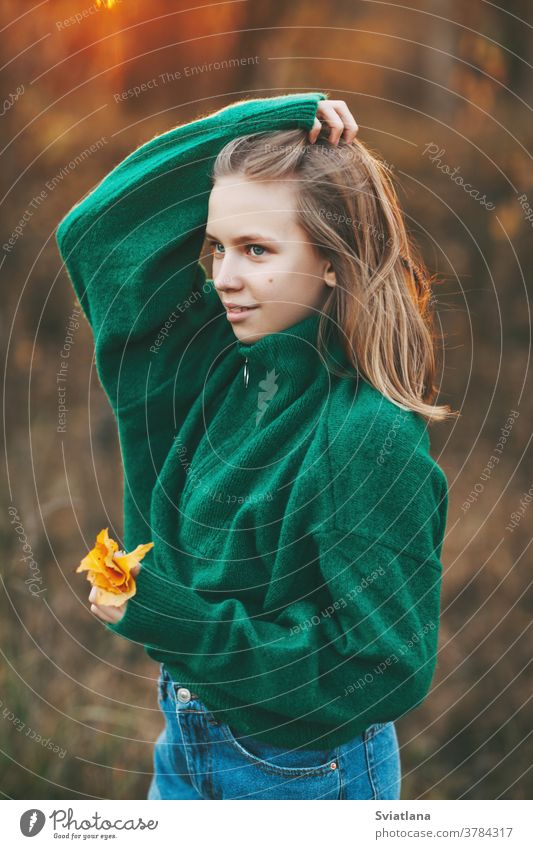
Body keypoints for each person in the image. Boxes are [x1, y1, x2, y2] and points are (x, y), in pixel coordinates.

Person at [56, 92, 453, 800]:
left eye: (257, 250)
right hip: (184, 741)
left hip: (302, 777)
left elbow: (379, 669)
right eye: (218, 247)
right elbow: (102, 234)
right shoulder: (209, 365)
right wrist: (268, 120)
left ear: (332, 261)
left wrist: (175, 619)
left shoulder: (366, 437)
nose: (224, 278)